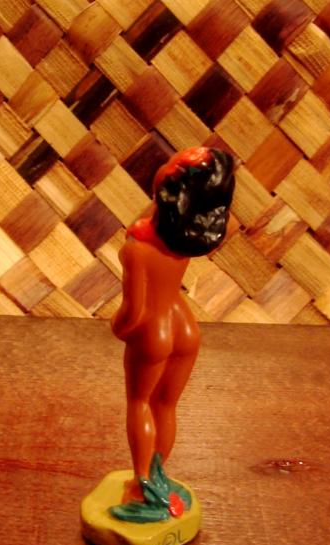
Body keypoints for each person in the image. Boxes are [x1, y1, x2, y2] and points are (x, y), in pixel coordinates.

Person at [111, 146, 235, 518]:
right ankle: (159, 475)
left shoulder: (138, 249)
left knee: (140, 404)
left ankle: (142, 485)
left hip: (154, 330)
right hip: (184, 326)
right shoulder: (187, 237)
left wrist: (118, 328)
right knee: (166, 406)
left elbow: (133, 312)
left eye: (173, 164)